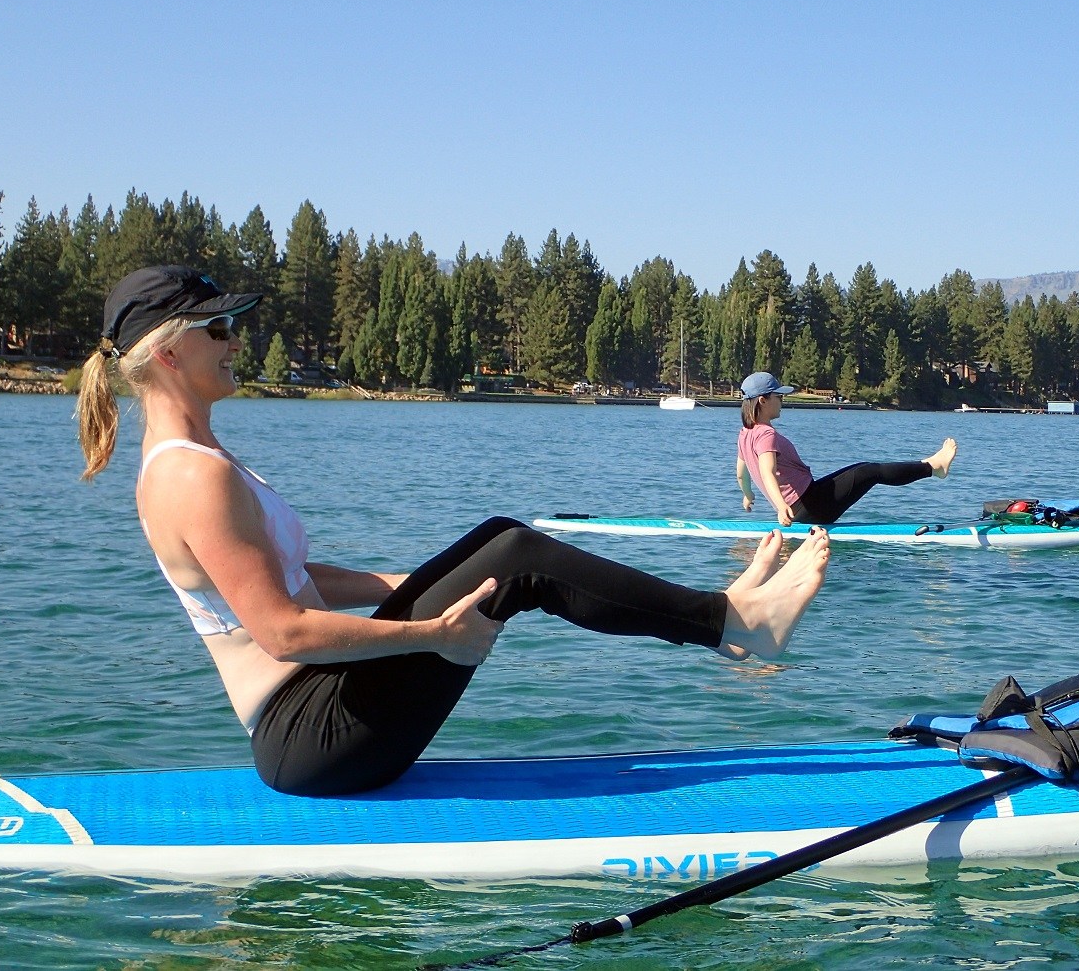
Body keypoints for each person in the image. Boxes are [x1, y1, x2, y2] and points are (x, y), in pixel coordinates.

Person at [77, 266, 830, 798]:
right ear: (169, 351)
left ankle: (724, 616)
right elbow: (283, 631)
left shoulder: (199, 459)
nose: (238, 339)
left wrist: (429, 588)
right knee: (518, 557)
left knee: (499, 546)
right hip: (310, 733)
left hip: (321, 712)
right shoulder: (188, 474)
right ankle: (735, 626)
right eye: (221, 328)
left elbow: (300, 581)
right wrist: (434, 630)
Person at [735, 371, 958, 526]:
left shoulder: (745, 434)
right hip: (808, 507)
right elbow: (767, 471)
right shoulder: (766, 434)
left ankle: (931, 466)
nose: (782, 401)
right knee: (870, 472)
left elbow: (741, 474)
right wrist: (782, 506)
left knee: (863, 468)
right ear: (762, 401)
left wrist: (748, 495)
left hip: (805, 502)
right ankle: (933, 468)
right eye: (779, 396)